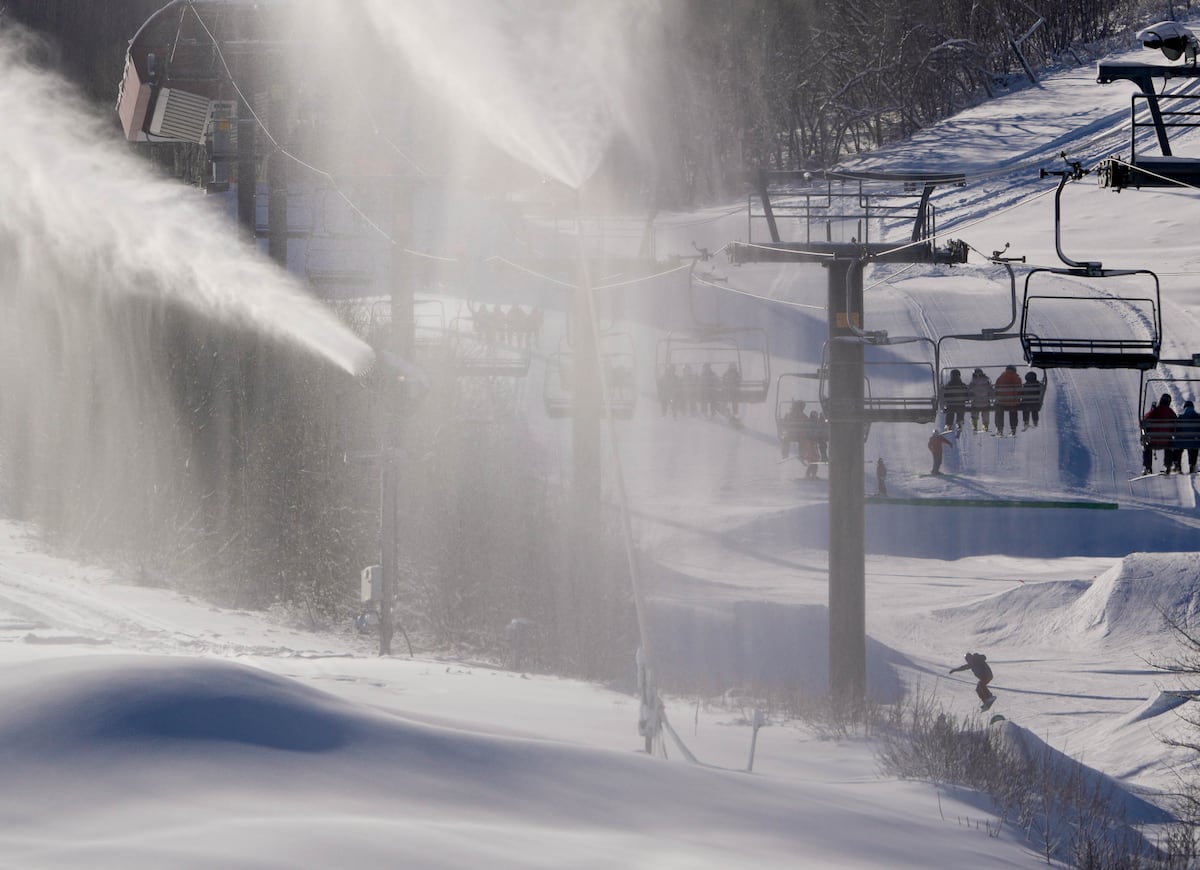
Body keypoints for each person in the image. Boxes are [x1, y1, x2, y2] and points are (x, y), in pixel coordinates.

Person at [1142, 393, 1178, 475]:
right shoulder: (1170, 412)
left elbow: (1145, 419)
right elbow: (1176, 422)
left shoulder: (1155, 411)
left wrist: (1152, 410)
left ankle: (1148, 467)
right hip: (1166, 441)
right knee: (1171, 442)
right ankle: (1168, 465)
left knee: (1146, 443)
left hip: (1153, 441)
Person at [993, 365, 1022, 437]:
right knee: (1013, 410)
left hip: (1001, 402)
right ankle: (1013, 429)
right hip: (1013, 402)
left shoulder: (1000, 378)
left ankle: (999, 429)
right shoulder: (1017, 378)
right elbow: (1020, 391)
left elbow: (996, 389)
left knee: (999, 410)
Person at [968, 368, 994, 433]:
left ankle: (974, 425)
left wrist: (971, 399)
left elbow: (969, 394)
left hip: (975, 404)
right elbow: (991, 393)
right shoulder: (987, 382)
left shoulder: (972, 383)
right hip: (985, 403)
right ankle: (985, 425)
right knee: (985, 411)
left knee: (974, 410)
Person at [1177, 399, 1200, 473]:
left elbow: (1177, 430)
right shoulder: (1198, 416)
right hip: (1193, 441)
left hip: (1182, 442)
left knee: (1178, 444)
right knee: (1194, 444)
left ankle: (1178, 465)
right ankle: (1192, 464)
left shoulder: (1180, 417)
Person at [942, 369, 968, 433]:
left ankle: (948, 425)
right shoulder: (963, 385)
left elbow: (944, 396)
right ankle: (959, 423)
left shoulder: (948, 386)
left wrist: (946, 401)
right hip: (960, 405)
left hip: (951, 405)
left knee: (950, 412)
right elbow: (967, 396)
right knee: (961, 410)